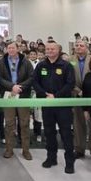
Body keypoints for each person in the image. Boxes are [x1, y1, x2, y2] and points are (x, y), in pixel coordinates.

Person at [32, 43, 76, 174]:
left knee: (66, 134)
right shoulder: (41, 65)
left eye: (52, 49)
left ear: (59, 50)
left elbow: (70, 84)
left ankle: (69, 162)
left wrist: (56, 96)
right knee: (49, 132)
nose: (49, 51)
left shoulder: (66, 66)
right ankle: (51, 158)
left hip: (62, 105)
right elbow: (35, 81)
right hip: (47, 104)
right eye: (47, 49)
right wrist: (44, 94)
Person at [67, 40, 91, 162]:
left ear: (87, 47)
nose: (79, 47)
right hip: (76, 95)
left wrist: (88, 91)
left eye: (81, 45)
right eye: (77, 45)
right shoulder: (69, 60)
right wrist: (78, 91)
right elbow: (68, 78)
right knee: (78, 122)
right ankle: (79, 149)